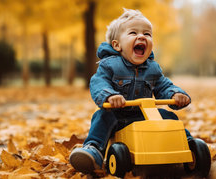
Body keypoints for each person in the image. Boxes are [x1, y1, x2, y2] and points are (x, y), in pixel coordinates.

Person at [69, 8, 192, 174]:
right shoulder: (109, 65)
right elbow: (99, 82)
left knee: (168, 117)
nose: (141, 36)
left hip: (144, 115)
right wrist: (110, 95)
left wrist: (175, 94)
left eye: (147, 34)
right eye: (133, 32)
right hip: (117, 115)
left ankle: (188, 144)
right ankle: (94, 150)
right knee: (101, 116)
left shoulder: (153, 68)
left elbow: (163, 85)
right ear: (117, 45)